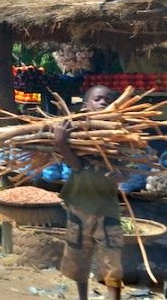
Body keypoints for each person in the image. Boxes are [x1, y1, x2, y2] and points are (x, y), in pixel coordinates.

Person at [54, 85, 122, 300]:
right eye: (98, 99)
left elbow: (125, 170)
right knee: (78, 257)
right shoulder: (77, 132)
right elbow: (77, 166)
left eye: (108, 100)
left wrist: (119, 175)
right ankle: (82, 297)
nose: (103, 103)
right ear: (85, 106)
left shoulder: (120, 135)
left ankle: (114, 297)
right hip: (79, 204)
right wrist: (62, 143)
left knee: (112, 260)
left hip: (107, 208)